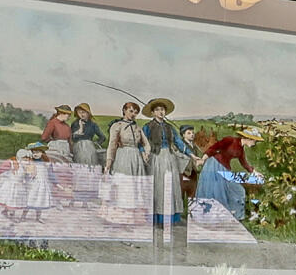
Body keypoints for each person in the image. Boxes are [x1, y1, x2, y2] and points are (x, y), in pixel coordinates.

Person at [142, 98, 198, 256]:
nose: (161, 112)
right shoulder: (147, 127)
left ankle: (170, 218)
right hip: (156, 158)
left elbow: (180, 143)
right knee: (158, 186)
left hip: (170, 158)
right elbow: (142, 142)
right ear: (152, 113)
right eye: (157, 110)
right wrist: (144, 152)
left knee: (171, 186)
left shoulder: (169, 128)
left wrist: (192, 155)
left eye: (163, 110)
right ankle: (157, 218)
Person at [99, 101, 151, 227]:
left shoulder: (137, 127)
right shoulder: (117, 126)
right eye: (131, 111)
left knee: (135, 187)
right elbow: (112, 146)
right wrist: (108, 163)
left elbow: (146, 143)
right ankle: (118, 219)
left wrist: (145, 153)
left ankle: (131, 219)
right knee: (124, 187)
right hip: (123, 158)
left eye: (135, 112)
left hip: (136, 159)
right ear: (124, 110)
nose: (133, 114)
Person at [195, 127, 258, 222]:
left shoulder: (241, 149)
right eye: (254, 141)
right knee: (215, 191)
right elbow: (214, 147)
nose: (254, 144)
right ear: (248, 138)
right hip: (214, 165)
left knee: (239, 190)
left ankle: (236, 217)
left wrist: (254, 172)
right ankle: (212, 217)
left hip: (225, 169)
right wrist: (203, 159)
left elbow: (244, 162)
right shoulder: (230, 140)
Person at [65, 103, 106, 201]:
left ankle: (89, 197)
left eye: (84, 112)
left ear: (88, 112)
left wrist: (94, 144)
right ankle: (77, 196)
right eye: (79, 113)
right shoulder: (75, 124)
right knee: (79, 171)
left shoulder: (93, 125)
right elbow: (72, 137)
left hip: (89, 150)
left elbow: (102, 137)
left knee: (90, 172)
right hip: (78, 148)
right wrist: (80, 129)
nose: (82, 115)